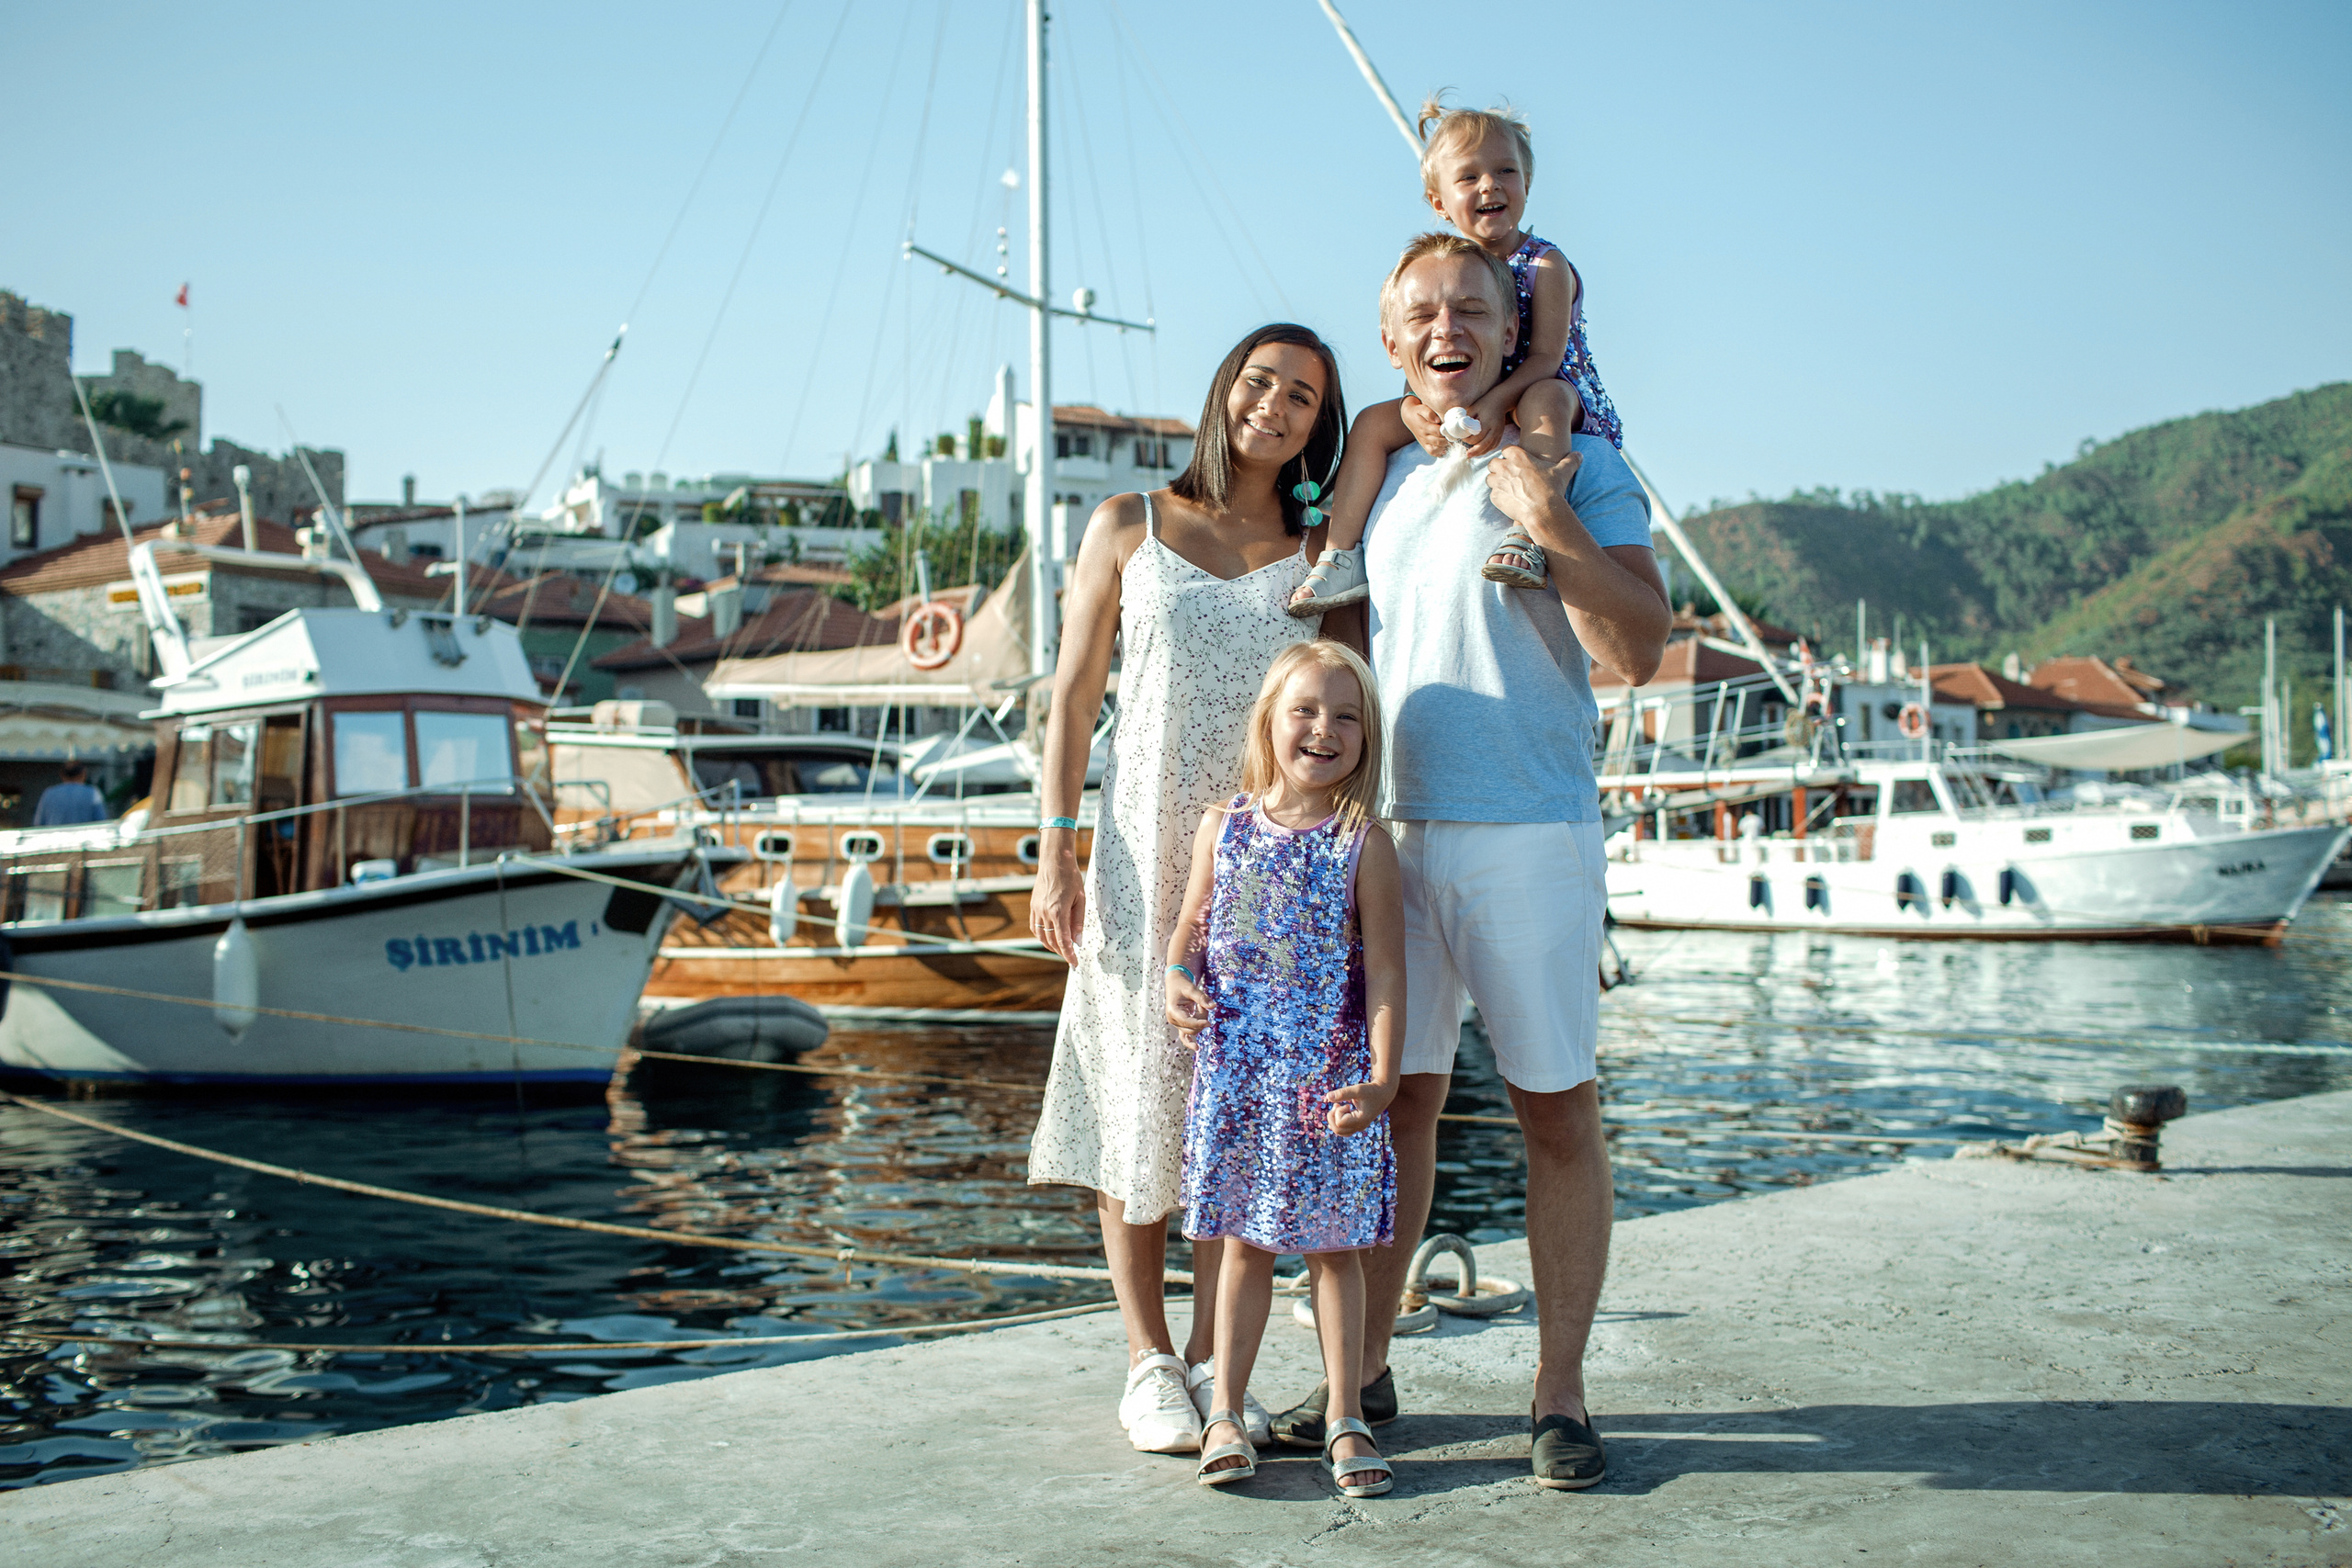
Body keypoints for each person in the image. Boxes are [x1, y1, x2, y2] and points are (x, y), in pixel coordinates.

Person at [1267, 232, 1670, 1492]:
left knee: (1554, 1109)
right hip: (1393, 834)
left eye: (1473, 310)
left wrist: (1546, 517)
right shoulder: (1378, 479)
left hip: (1528, 830)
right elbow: (1330, 648)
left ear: (1513, 332)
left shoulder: (1579, 460)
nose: (1448, 329)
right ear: (1393, 342)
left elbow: (1643, 646)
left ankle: (1559, 1395)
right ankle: (1363, 1373)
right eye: (1422, 313)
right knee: (1396, 1106)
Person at [1026, 324, 1349, 1454]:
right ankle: (1146, 1358)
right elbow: (1071, 699)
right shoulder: (1129, 523)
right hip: (1133, 848)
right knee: (1136, 1096)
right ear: (1225, 390)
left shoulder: (1320, 549)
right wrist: (1055, 846)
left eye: (1303, 397)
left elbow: (1343, 706)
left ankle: (1222, 1363)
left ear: (1319, 424)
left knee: (1232, 1107)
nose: (1275, 405)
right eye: (1261, 381)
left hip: (1262, 867)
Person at [1162, 640, 1402, 1495]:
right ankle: (1224, 1406)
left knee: (1335, 1252)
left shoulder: (1364, 844)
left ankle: (1346, 1413)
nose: (1324, 728)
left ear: (1366, 738)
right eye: (1306, 709)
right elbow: (1190, 929)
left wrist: (1381, 1076)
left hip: (1324, 1084)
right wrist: (1176, 981)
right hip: (1239, 1081)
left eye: (1346, 716)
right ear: (1270, 719)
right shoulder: (1221, 829)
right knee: (1245, 1246)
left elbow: (1387, 973)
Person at [1288, 96, 1625, 615]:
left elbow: (1546, 358)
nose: (1489, 185)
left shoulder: (1544, 266)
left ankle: (1526, 529)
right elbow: (1425, 353)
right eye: (1469, 178)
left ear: (1527, 186)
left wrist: (1496, 405)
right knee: (1375, 423)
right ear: (1439, 203)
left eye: (1505, 171)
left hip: (1548, 385)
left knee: (1544, 399)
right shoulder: (1438, 268)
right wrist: (1408, 410)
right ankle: (1341, 555)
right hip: (1469, 394)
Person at [33, 761, 110, 827]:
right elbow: (101, 823)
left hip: (54, 842)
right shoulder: (93, 793)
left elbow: (38, 823)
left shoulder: (48, 794)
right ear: (83, 774)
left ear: (62, 775)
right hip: (83, 842)